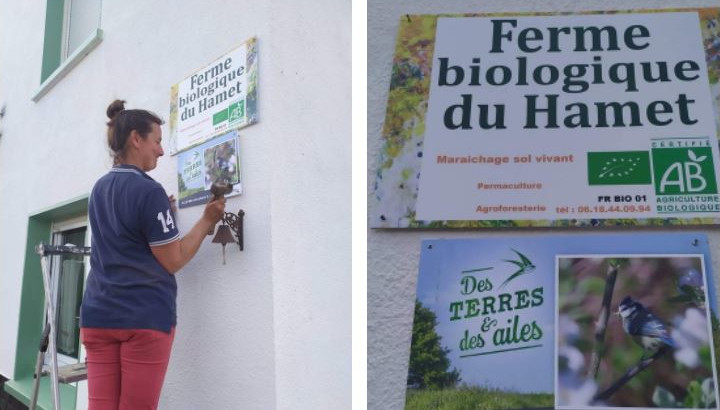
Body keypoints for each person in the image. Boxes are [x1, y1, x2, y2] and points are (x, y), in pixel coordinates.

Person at [80, 100, 226, 410]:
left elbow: (126, 238)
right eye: (157, 141)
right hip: (142, 318)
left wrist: (164, 213)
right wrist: (206, 221)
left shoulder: (99, 189)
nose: (160, 151)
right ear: (136, 139)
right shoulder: (149, 191)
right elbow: (173, 260)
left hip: (98, 315)